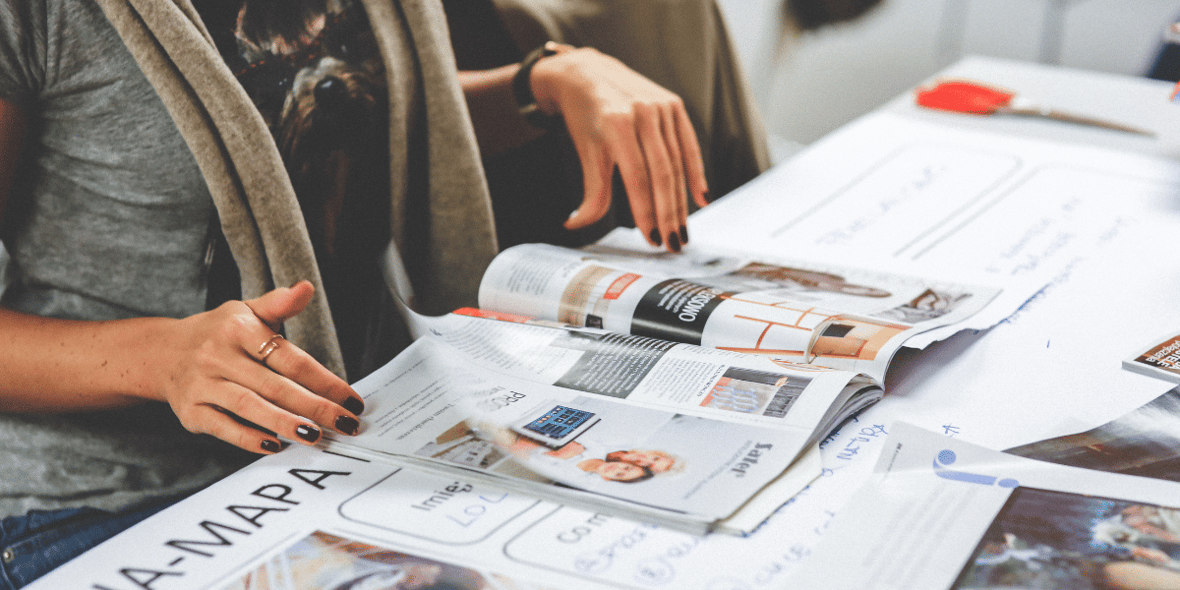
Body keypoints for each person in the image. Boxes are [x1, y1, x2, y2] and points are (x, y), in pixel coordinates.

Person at [0, 0, 722, 586]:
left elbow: (357, 117)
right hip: (115, 499)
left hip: (363, 435)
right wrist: (162, 358)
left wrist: (543, 84)